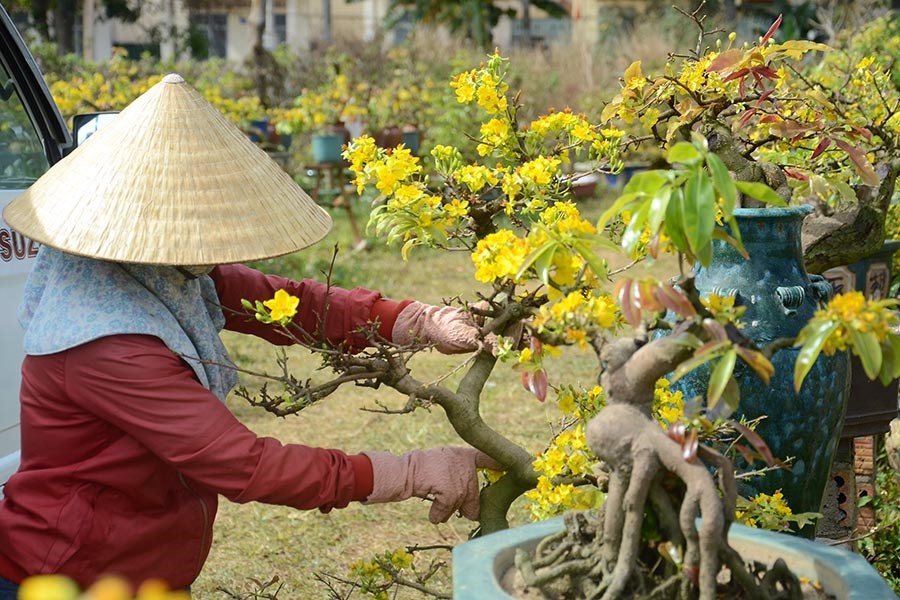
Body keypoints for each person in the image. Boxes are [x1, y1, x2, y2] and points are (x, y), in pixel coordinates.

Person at [0, 74, 498, 597]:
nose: (213, 247)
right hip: (67, 576)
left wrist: (416, 321)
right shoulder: (108, 344)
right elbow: (244, 464)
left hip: (137, 564)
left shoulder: (156, 273)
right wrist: (407, 472)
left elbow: (288, 304)